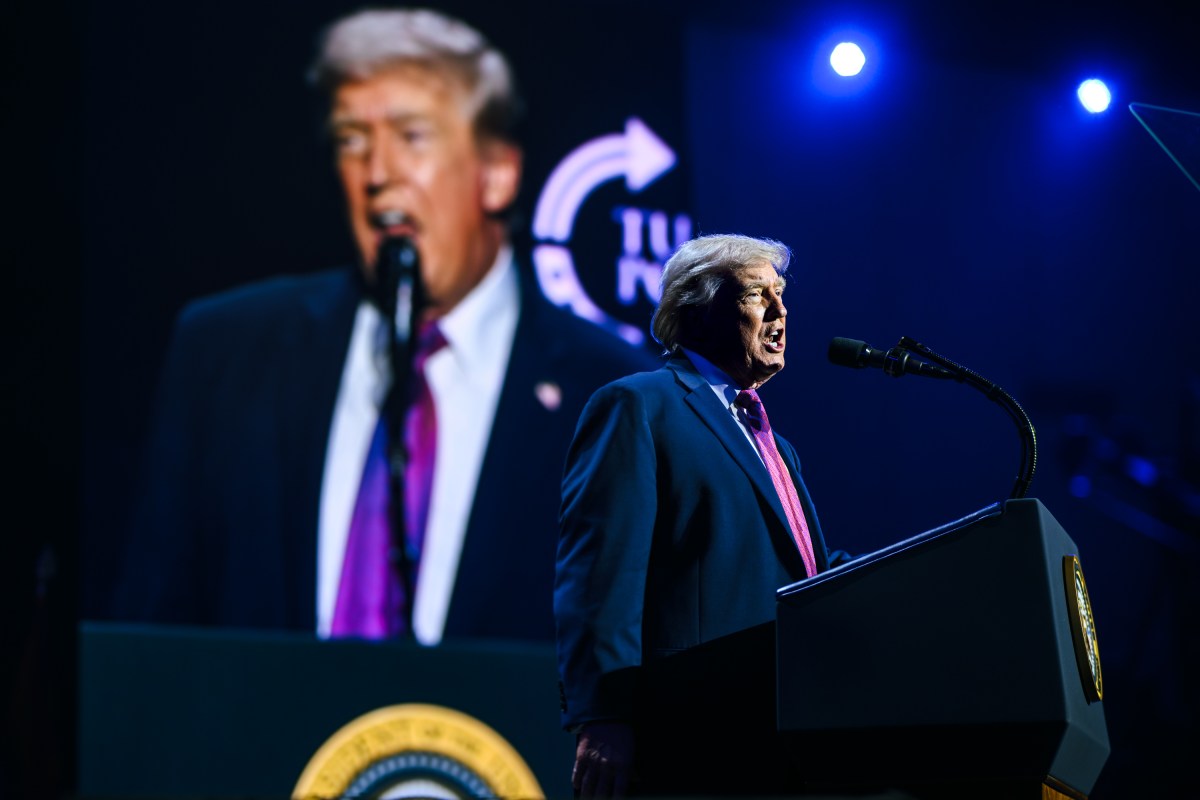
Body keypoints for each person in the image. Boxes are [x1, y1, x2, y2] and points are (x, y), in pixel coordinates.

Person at [114, 8, 656, 645]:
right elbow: (151, 645)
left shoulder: (619, 398)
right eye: (351, 139)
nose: (376, 173)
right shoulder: (224, 354)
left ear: (497, 173)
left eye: (412, 135)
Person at [554, 234, 847, 797]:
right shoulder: (640, 404)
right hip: (687, 739)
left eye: (782, 295)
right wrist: (604, 716)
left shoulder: (777, 447)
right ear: (699, 308)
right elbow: (601, 571)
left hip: (781, 737)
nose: (781, 312)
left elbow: (807, 574)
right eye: (758, 295)